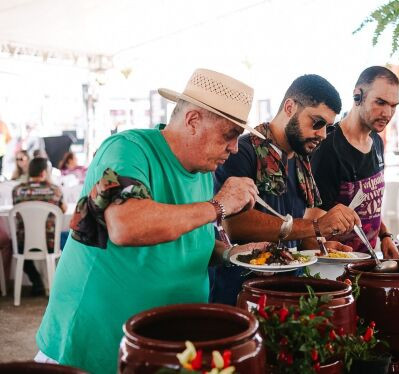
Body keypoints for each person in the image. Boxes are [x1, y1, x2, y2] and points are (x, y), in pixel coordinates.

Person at [35, 69, 267, 373]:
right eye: (230, 134)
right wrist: (218, 205)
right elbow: (125, 224)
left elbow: (191, 236)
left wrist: (234, 255)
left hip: (162, 347)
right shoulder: (128, 149)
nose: (235, 147)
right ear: (193, 121)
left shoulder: (202, 171)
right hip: (95, 344)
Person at [210, 74, 360, 305]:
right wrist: (316, 226)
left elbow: (296, 225)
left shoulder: (301, 159)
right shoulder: (242, 150)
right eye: (317, 122)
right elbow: (235, 225)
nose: (322, 134)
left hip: (288, 291)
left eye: (327, 127)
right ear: (290, 107)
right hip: (243, 293)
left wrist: (318, 245)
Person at [312, 66, 399, 257]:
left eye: (393, 106)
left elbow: (371, 203)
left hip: (368, 260)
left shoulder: (377, 141)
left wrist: (385, 234)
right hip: (335, 268)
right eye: (380, 102)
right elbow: (312, 223)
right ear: (357, 96)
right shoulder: (328, 147)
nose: (388, 113)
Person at [12, 157, 66, 295]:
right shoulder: (55, 190)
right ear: (43, 173)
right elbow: (63, 210)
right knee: (71, 237)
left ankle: (37, 281)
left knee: (14, 243)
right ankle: (64, 284)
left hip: (23, 244)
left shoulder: (17, 190)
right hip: (50, 243)